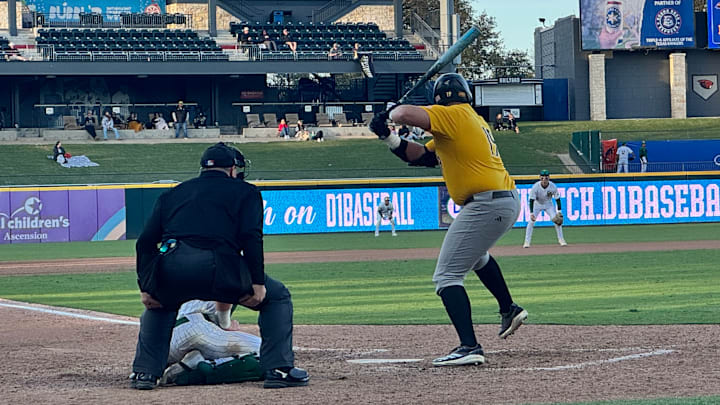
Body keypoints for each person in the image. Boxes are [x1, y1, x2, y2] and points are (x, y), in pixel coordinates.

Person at [369, 72, 527, 367]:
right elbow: (422, 157)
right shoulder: (468, 120)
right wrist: (388, 137)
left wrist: (391, 111)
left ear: (439, 99)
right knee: (477, 258)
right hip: (500, 200)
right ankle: (509, 308)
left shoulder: (453, 115)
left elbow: (404, 113)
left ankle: (469, 346)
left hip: (486, 203)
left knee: (447, 276)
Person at [130, 142, 309, 390]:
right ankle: (278, 369)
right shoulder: (246, 191)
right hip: (221, 268)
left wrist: (147, 287)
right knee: (277, 297)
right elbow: (251, 237)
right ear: (233, 169)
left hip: (174, 266)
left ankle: (144, 374)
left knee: (159, 304)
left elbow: (146, 242)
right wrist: (257, 283)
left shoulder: (173, 193)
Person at [159, 299, 262, 386]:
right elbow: (224, 292)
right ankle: (203, 366)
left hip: (168, 336)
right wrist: (226, 324)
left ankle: (180, 367)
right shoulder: (229, 274)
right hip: (199, 328)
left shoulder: (180, 275)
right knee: (271, 352)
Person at [523, 170, 566, 248]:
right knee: (531, 222)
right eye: (542, 178)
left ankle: (561, 239)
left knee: (557, 221)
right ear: (540, 178)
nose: (544, 180)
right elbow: (531, 200)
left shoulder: (552, 186)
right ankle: (527, 242)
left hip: (548, 205)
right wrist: (531, 213)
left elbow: (557, 199)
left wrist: (559, 211)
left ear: (548, 178)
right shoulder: (536, 186)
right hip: (537, 204)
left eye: (546, 178)